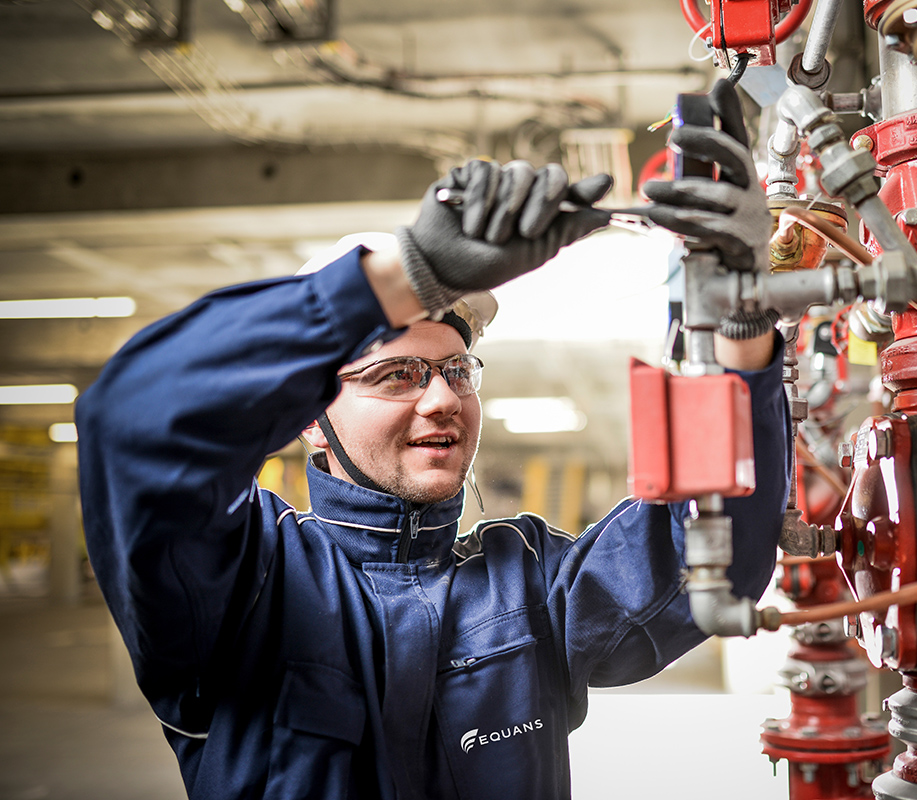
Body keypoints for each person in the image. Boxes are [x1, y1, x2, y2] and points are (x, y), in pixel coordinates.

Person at [77, 80, 790, 799]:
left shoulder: (526, 581)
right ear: (307, 417)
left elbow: (712, 558)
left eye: (456, 369)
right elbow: (136, 424)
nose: (445, 397)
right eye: (397, 375)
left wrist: (738, 321)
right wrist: (405, 274)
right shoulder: (242, 582)